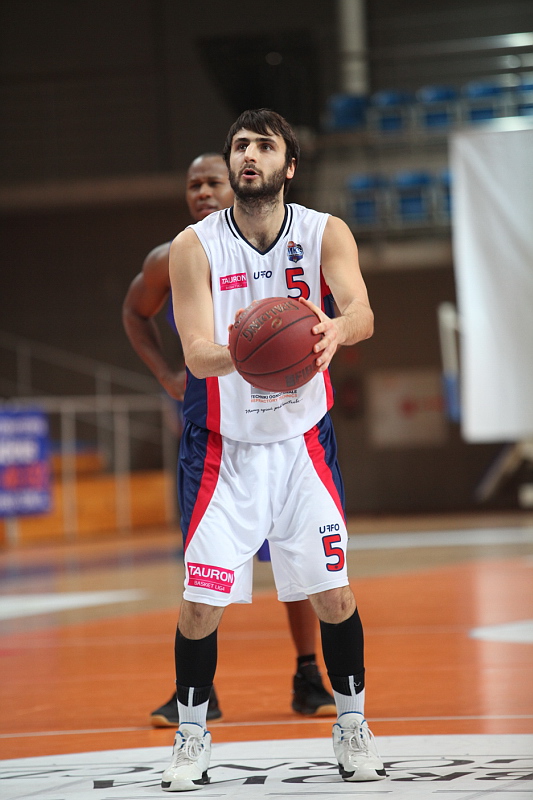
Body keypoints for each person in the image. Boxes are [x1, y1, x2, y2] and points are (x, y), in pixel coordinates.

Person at [161, 110, 386, 793]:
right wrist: (250, 351)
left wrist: (335, 329)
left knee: (334, 596)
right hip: (223, 451)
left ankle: (352, 725)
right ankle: (191, 738)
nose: (248, 155)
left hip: (301, 445)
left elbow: (362, 313)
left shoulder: (324, 232)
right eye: (239, 146)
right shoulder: (193, 246)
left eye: (264, 146)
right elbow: (196, 353)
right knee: (199, 605)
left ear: (289, 165)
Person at [122, 152, 335, 728]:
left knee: (297, 558)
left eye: (212, 181)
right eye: (192, 183)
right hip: (214, 431)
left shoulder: (284, 247)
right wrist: (167, 376)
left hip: (283, 426)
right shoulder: (174, 256)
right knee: (204, 568)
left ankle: (308, 674)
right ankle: (199, 690)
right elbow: (134, 312)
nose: (201, 191)